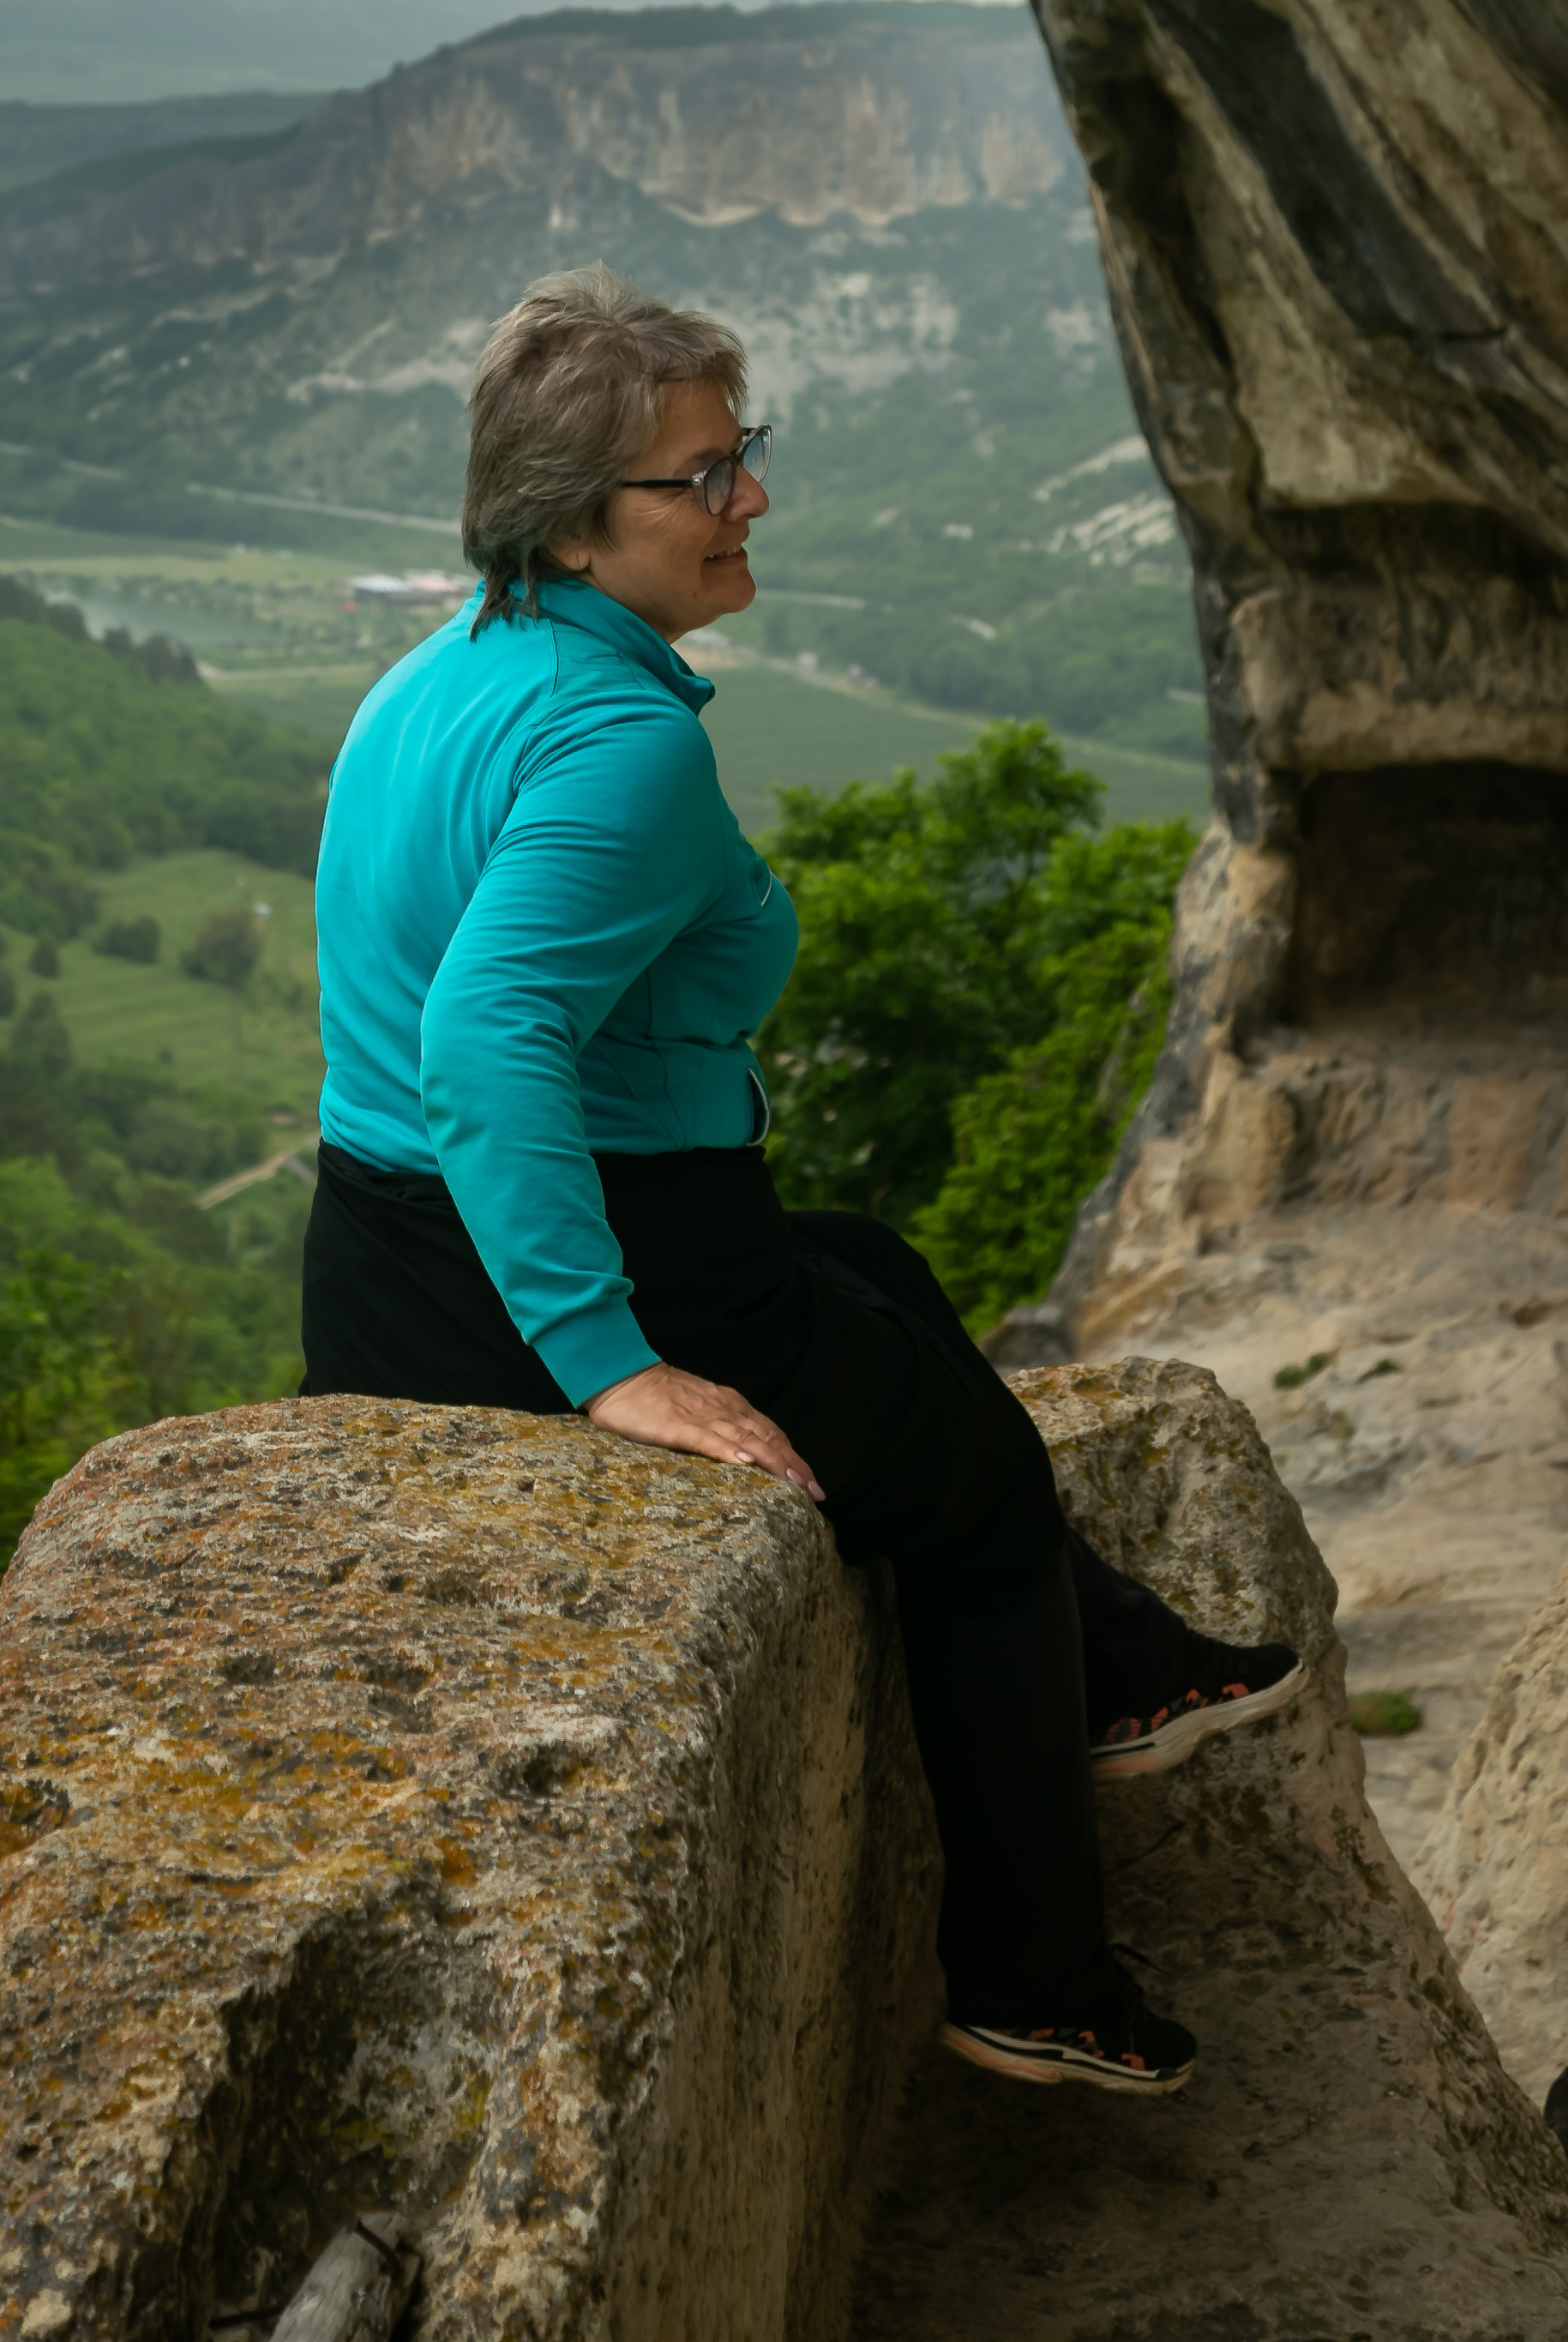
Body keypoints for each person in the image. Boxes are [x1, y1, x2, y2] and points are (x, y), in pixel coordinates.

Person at [301, 266, 1306, 2094]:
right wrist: (608, 1360)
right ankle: (1036, 1980)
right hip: (584, 1253)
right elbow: (484, 1037)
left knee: (871, 1263)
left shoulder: (441, 673)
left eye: (738, 451)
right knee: (982, 1491)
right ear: (572, 527)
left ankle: (1124, 1666)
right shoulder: (620, 742)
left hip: (382, 1249)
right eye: (701, 476)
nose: (746, 495)